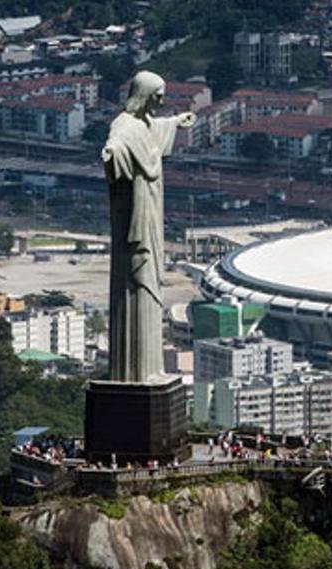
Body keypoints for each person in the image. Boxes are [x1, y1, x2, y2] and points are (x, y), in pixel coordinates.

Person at [101, 71, 196, 383]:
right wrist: (112, 154)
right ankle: (134, 372)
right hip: (136, 215)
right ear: (143, 94)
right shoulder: (124, 125)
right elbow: (117, 142)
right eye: (158, 95)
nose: (161, 100)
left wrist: (176, 121)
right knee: (136, 284)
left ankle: (151, 370)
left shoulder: (143, 123)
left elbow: (153, 130)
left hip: (152, 209)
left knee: (152, 283)